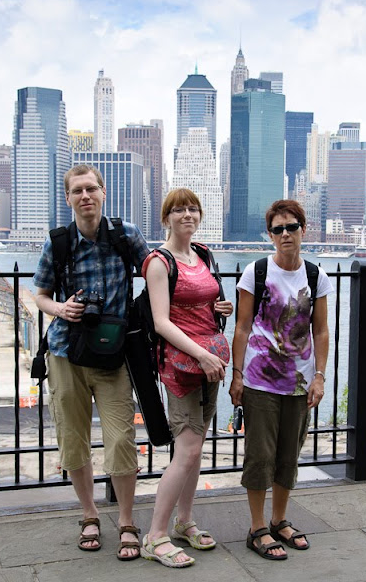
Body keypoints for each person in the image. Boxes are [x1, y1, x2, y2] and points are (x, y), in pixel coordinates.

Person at [33, 164, 149, 560]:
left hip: (113, 354)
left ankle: (127, 521)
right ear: (68, 198)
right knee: (72, 436)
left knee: (121, 438)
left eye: (91, 189)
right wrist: (60, 309)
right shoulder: (58, 243)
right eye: (77, 191)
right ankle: (89, 515)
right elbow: (40, 295)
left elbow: (157, 273)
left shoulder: (126, 234)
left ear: (103, 193)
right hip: (66, 352)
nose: (85, 196)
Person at [229, 199, 334, 561]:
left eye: (292, 227)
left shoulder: (316, 276)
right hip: (259, 381)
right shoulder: (256, 272)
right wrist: (237, 375)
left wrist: (319, 376)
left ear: (303, 230)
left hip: (299, 382)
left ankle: (279, 520)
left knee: (289, 453)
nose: (285, 234)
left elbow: (321, 331)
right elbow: (242, 327)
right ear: (270, 235)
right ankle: (257, 528)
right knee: (260, 455)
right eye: (278, 229)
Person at [140, 188, 233, 568]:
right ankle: (154, 536)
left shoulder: (203, 254)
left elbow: (203, 302)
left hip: (209, 362)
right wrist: (201, 354)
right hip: (182, 366)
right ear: (166, 217)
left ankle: (184, 521)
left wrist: (220, 307)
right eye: (179, 210)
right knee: (188, 450)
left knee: (195, 449)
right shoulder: (158, 262)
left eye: (193, 209)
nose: (187, 215)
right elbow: (161, 322)